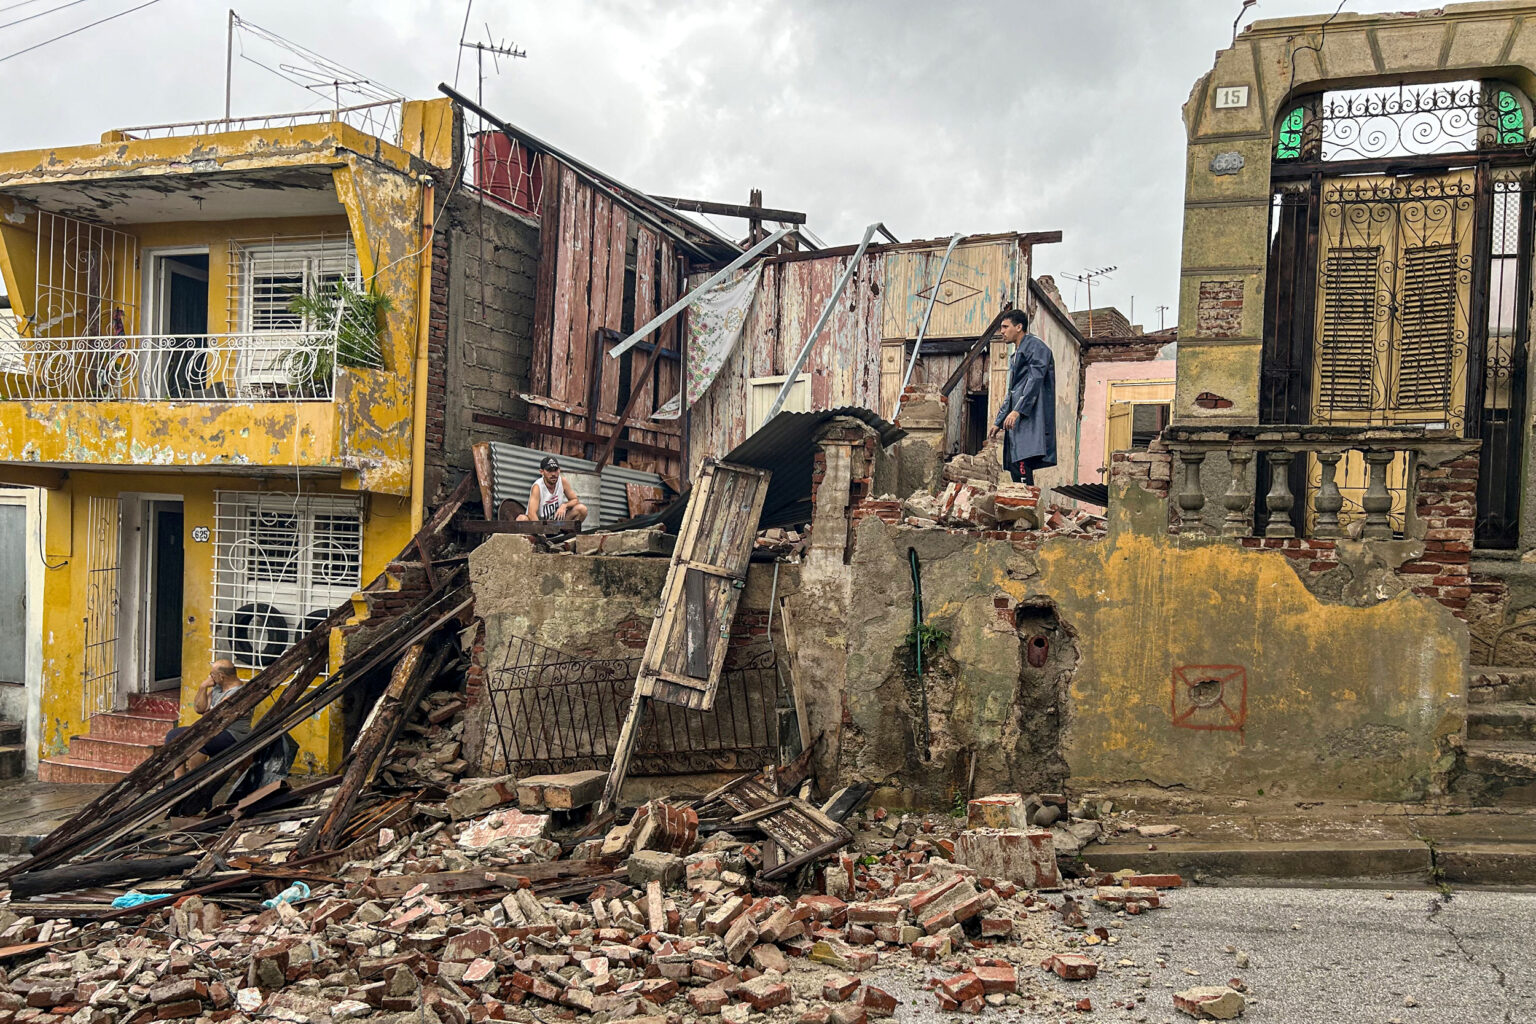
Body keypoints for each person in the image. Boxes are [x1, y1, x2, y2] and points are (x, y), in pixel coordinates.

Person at [990, 309, 1057, 485]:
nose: (1002, 332)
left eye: (1005, 327)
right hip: (1018, 418)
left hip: (1029, 416)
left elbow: (1035, 380)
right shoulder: (1015, 354)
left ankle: (1027, 508)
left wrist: (1017, 411)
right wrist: (999, 420)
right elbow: (1012, 390)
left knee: (1022, 462)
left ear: (1019, 327)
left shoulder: (1036, 347)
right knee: (1015, 464)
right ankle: (1021, 507)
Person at [164, 659, 253, 779]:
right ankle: (179, 777)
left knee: (199, 742)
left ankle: (195, 780)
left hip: (231, 735)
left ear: (221, 676)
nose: (210, 677)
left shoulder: (237, 693)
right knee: (173, 735)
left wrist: (207, 714)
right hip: (212, 730)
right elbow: (199, 709)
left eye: (212, 674)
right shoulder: (218, 688)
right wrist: (203, 687)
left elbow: (214, 717)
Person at [517, 455, 588, 525]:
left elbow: (575, 500)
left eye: (555, 470)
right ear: (541, 472)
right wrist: (541, 531)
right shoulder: (537, 487)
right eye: (549, 471)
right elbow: (531, 513)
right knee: (521, 519)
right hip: (540, 524)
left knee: (582, 509)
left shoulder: (562, 481)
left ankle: (567, 534)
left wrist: (564, 505)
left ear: (559, 470)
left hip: (556, 523)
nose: (553, 474)